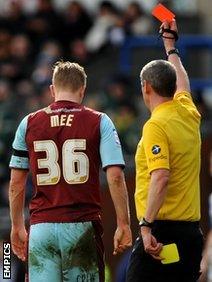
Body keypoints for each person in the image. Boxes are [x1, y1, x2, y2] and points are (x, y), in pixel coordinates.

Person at [9, 61, 132, 282]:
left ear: (52, 90)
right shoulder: (100, 121)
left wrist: (17, 225)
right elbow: (114, 176)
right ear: (82, 90)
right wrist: (123, 223)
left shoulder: (28, 123)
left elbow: (16, 183)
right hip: (81, 226)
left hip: (41, 227)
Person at [126, 20, 203, 282]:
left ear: (146, 87)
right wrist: (171, 48)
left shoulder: (155, 125)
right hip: (191, 234)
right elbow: (182, 83)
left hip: (161, 234)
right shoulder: (188, 112)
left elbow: (160, 176)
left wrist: (146, 226)